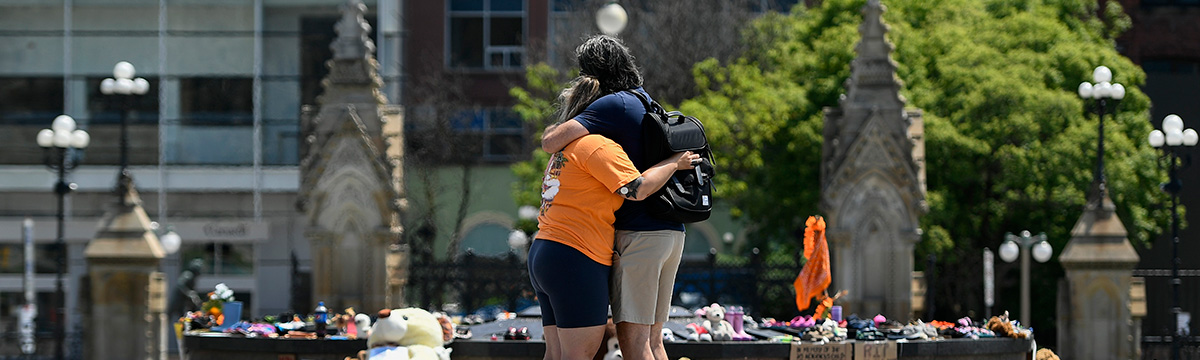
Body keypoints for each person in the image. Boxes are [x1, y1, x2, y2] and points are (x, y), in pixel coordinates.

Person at [530, 74, 697, 360]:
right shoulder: (596, 145)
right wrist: (674, 162)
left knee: (555, 354)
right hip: (577, 256)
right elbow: (638, 189)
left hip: (544, 251)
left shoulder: (562, 150)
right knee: (577, 356)